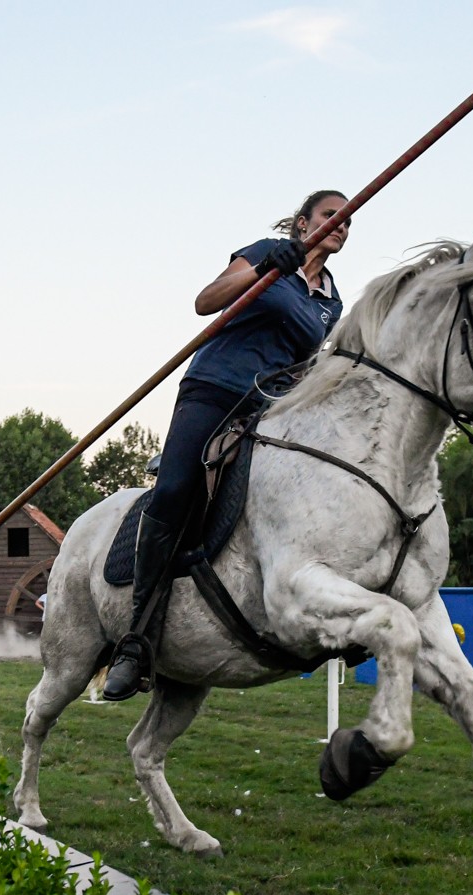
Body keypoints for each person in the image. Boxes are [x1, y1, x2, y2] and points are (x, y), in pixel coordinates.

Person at [102, 190, 351, 701]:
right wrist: (266, 272)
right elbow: (206, 302)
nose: (342, 225)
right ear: (304, 223)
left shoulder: (331, 302)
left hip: (274, 408)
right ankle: (135, 642)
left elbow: (307, 363)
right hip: (216, 388)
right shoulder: (264, 250)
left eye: (348, 221)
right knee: (173, 492)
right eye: (332, 215)